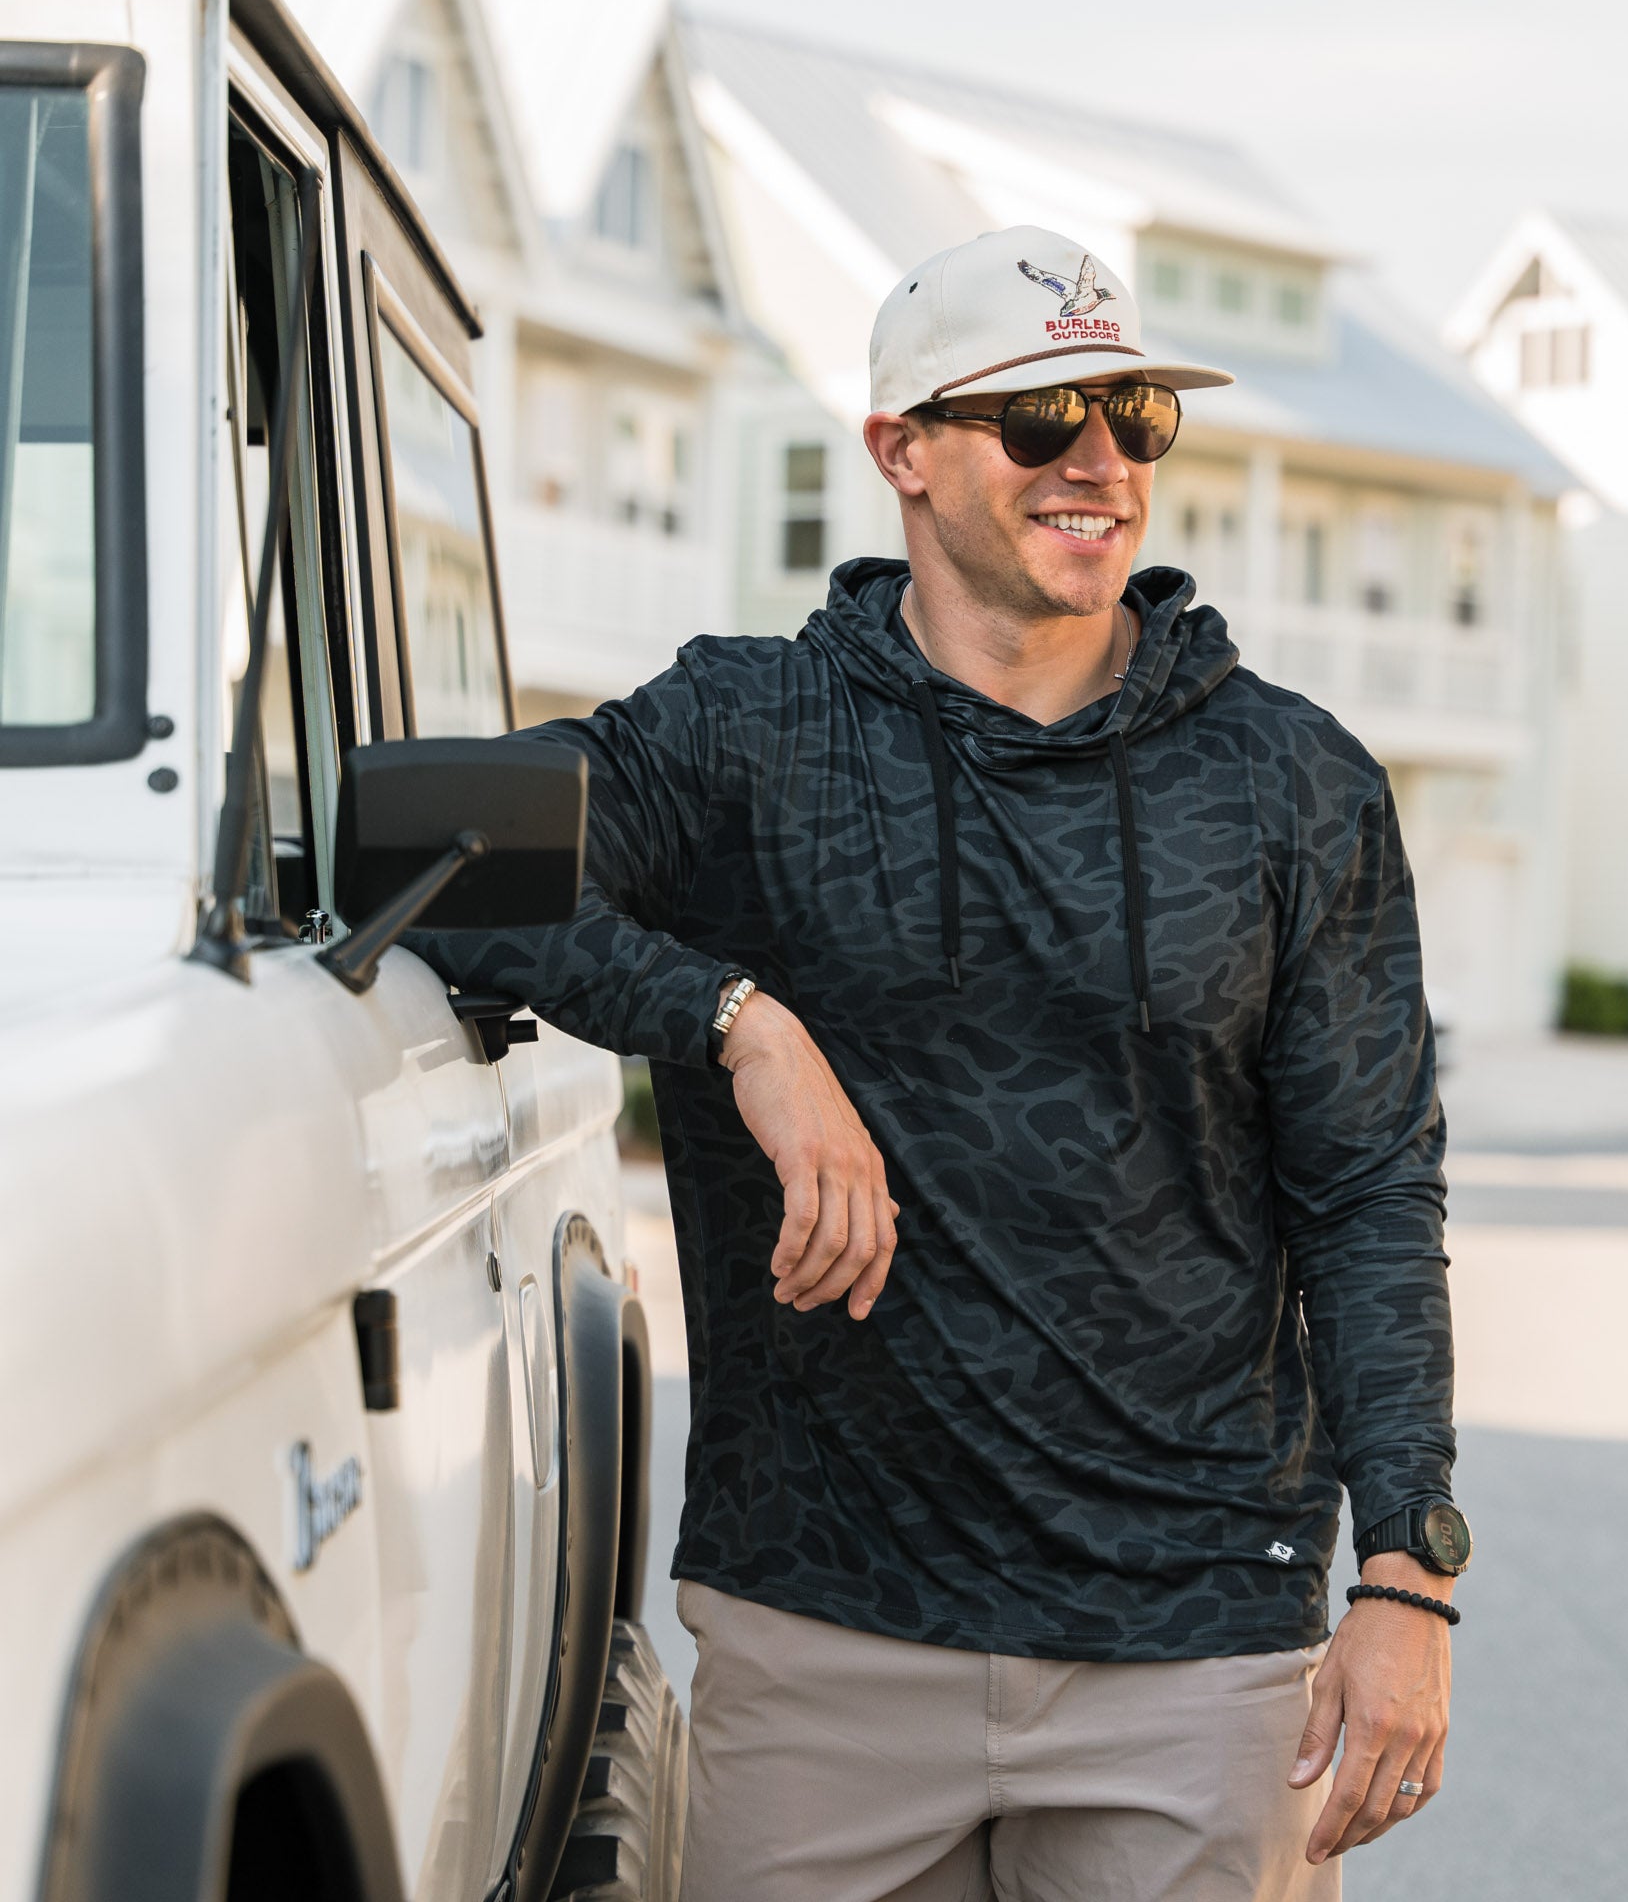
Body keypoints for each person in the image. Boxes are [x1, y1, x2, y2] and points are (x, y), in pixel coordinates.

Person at [417, 227, 1466, 1899]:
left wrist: (1408, 1574)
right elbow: (439, 850)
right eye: (1041, 418)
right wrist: (737, 1021)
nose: (1100, 461)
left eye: (1134, 413)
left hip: (1194, 1651)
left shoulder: (1291, 783)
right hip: (824, 1635)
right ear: (900, 450)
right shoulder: (749, 732)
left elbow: (1369, 1196)